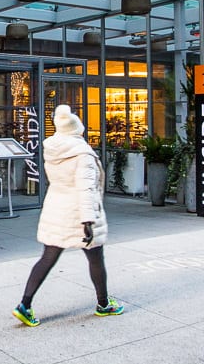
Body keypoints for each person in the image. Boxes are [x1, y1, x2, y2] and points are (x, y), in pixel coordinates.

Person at [12, 104, 123, 327]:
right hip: (78, 212)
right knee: (95, 257)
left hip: (56, 207)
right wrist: (88, 220)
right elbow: (85, 189)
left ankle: (25, 304)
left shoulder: (53, 149)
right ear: (77, 129)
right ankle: (103, 304)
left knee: (47, 257)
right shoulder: (82, 154)